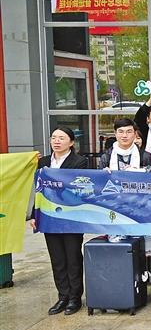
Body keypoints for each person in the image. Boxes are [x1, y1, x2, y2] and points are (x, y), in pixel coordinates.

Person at [34, 126, 89, 316]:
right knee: (57, 258)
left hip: (71, 216)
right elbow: (38, 190)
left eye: (62, 138)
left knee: (73, 258)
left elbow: (78, 188)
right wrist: (35, 215)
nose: (56, 141)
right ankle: (62, 296)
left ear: (71, 142)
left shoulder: (79, 162)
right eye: (54, 138)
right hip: (49, 217)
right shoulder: (43, 162)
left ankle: (75, 297)